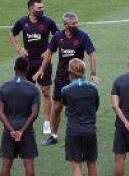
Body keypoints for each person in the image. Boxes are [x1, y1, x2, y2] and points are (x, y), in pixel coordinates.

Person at [33, 12, 97, 146]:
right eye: (73, 23)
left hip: (78, 78)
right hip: (62, 77)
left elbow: (91, 54)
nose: (76, 25)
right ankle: (54, 135)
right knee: (56, 108)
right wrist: (41, 69)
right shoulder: (58, 36)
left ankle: (79, 135)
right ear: (65, 25)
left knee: (78, 107)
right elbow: (49, 53)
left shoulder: (83, 36)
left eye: (76, 23)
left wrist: (93, 72)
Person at [0, 57, 42, 176]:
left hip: (9, 131)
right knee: (28, 164)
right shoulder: (33, 89)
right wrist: (22, 130)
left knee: (6, 163)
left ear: (14, 69)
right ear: (27, 70)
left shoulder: (4, 87)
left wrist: (12, 130)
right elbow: (34, 114)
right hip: (26, 132)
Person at [9, 0, 58, 136]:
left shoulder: (48, 22)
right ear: (31, 9)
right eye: (39, 8)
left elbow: (58, 37)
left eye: (42, 8)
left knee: (46, 91)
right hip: (28, 62)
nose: (42, 10)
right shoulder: (22, 22)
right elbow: (12, 34)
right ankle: (24, 119)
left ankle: (47, 122)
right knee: (26, 91)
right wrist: (19, 49)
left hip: (44, 62)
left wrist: (50, 51)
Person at [61, 58, 103, 176]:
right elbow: (96, 106)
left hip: (73, 131)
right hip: (89, 130)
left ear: (70, 72)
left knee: (76, 165)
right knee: (91, 163)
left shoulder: (65, 90)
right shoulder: (93, 88)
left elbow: (66, 104)